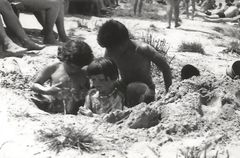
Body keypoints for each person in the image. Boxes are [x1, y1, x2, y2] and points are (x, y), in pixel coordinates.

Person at [97, 20, 172, 107]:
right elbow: (104, 70)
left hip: (145, 90)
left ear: (123, 43)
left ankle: (131, 111)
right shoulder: (110, 51)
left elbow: (165, 67)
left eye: (112, 48)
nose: (109, 51)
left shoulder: (142, 49)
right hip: (124, 85)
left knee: (133, 88)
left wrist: (168, 92)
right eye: (108, 49)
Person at [31, 39, 94, 115]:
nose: (74, 70)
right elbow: (34, 85)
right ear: (63, 58)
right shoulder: (54, 68)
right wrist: (46, 90)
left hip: (78, 113)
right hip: (54, 112)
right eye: (71, 66)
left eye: (78, 68)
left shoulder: (85, 72)